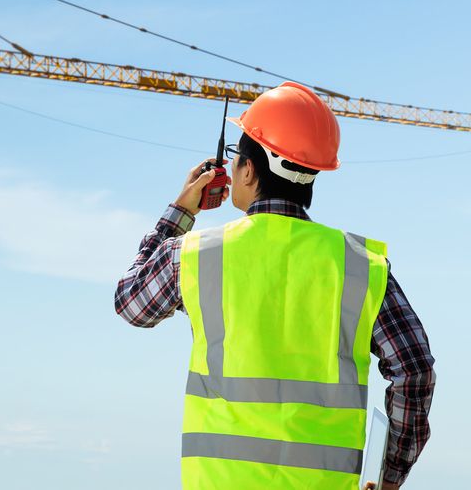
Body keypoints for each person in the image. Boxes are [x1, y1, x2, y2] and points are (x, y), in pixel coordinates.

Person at [114, 82, 435, 489]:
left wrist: (181, 210)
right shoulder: (360, 265)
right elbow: (415, 371)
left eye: (235, 158)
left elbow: (132, 303)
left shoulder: (195, 255)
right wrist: (390, 475)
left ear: (248, 169)